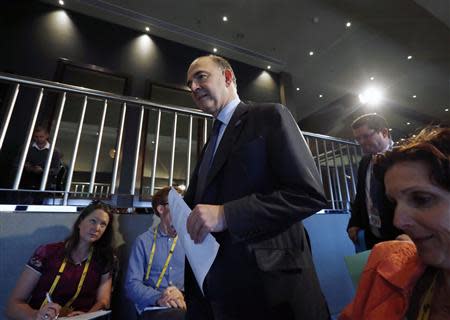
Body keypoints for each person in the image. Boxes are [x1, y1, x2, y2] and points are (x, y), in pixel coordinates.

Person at [183, 55, 329, 320]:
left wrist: (228, 214)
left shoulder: (269, 116)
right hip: (222, 290)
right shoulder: (209, 146)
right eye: (189, 82)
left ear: (227, 78)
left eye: (200, 77)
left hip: (272, 290)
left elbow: (308, 194)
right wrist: (178, 212)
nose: (193, 87)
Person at [340, 126, 450, 319]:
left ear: (384, 132)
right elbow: (360, 198)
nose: (398, 220)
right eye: (394, 203)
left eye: (422, 199)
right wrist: (354, 223)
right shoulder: (386, 269)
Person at [5, 201, 115, 320]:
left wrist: (88, 315)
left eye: (103, 224)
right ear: (80, 222)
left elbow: (104, 300)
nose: (97, 228)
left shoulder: (104, 259)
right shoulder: (47, 252)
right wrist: (37, 315)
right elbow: (12, 307)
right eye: (93, 221)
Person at [125, 186, 186, 320]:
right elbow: (131, 284)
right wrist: (159, 298)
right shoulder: (143, 241)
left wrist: (181, 294)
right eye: (177, 205)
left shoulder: (190, 241)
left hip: (183, 303)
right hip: (153, 306)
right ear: (161, 209)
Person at [347, 113, 401, 249]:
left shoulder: (404, 156)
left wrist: (409, 234)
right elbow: (361, 195)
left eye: (366, 136)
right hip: (372, 237)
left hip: (401, 235)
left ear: (384, 132)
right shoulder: (364, 162)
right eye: (358, 138)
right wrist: (354, 222)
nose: (361, 142)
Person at [20, 125, 62, 190]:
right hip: (26, 182)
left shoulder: (55, 152)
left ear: (47, 136)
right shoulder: (27, 148)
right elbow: (16, 163)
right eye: (36, 137)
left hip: (44, 185)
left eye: (41, 137)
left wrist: (42, 170)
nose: (39, 139)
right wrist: (25, 166)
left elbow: (56, 170)